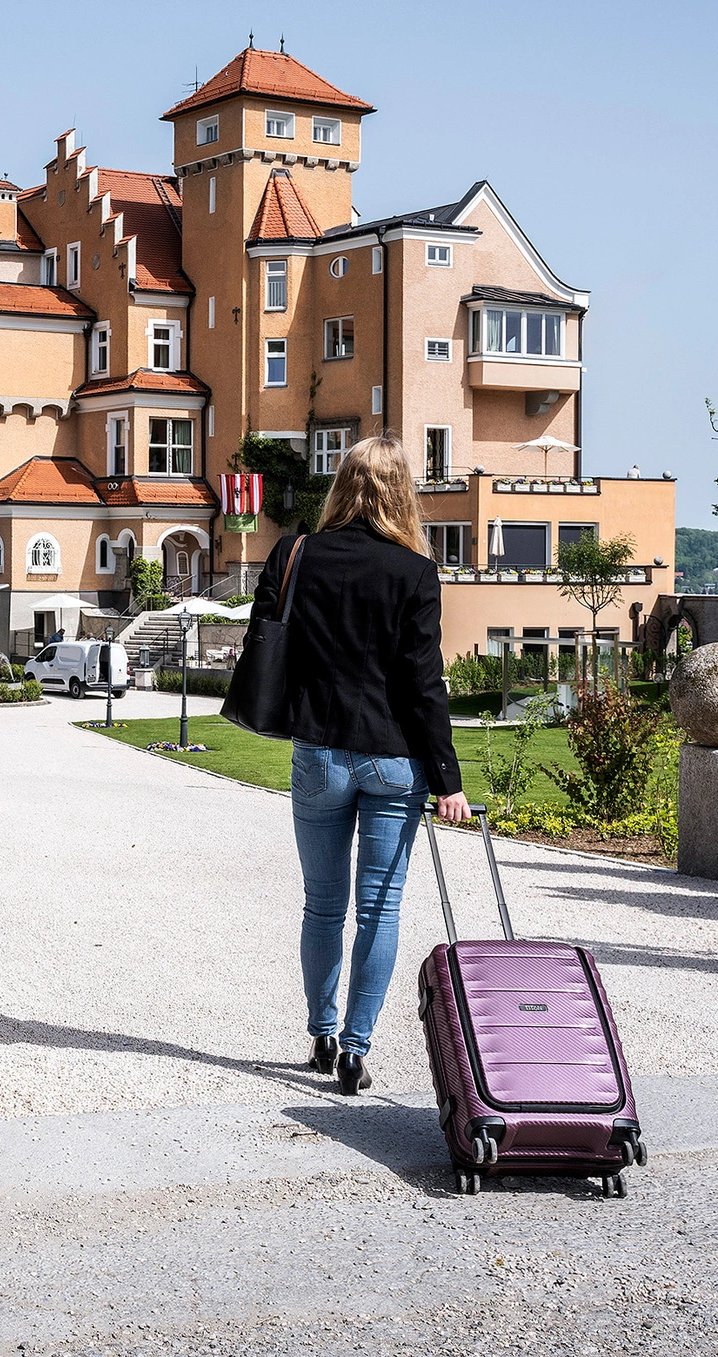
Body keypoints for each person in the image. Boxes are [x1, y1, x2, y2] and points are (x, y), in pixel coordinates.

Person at [250, 435, 467, 1095]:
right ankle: (354, 1050)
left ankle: (320, 1034)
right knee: (379, 908)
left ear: (340, 485)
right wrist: (449, 781)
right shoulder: (414, 571)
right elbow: (423, 683)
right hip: (393, 758)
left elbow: (265, 637)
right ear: (403, 493)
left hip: (319, 750)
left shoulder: (296, 553)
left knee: (322, 904)